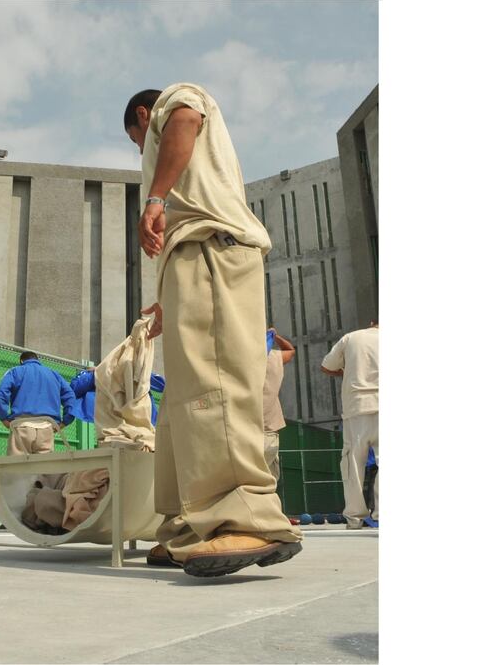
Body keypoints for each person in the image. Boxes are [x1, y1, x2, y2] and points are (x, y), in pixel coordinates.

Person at [123, 84, 303, 577]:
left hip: (209, 247)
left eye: (138, 139)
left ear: (145, 114)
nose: (143, 150)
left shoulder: (175, 101)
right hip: (191, 260)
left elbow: (183, 119)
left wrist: (156, 198)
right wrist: (168, 302)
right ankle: (185, 525)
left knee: (214, 385)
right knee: (181, 403)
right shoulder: (185, 169)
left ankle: (244, 517)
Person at [321, 320, 379, 529]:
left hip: (358, 406)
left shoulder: (352, 337)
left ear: (371, 323)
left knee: (354, 464)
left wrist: (347, 372)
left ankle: (355, 518)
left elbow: (326, 366)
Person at [0, 351, 76, 456]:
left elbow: (1, 392)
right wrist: (65, 422)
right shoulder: (54, 374)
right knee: (43, 469)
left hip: (22, 425)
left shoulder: (15, 372)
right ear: (38, 360)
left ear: (21, 361)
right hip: (47, 427)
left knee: (17, 469)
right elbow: (70, 397)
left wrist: (3, 417)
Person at [263, 328, 296, 485]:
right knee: (268, 477)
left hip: (242, 428)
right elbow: (290, 350)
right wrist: (275, 335)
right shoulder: (274, 358)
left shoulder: (237, 359)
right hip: (268, 428)